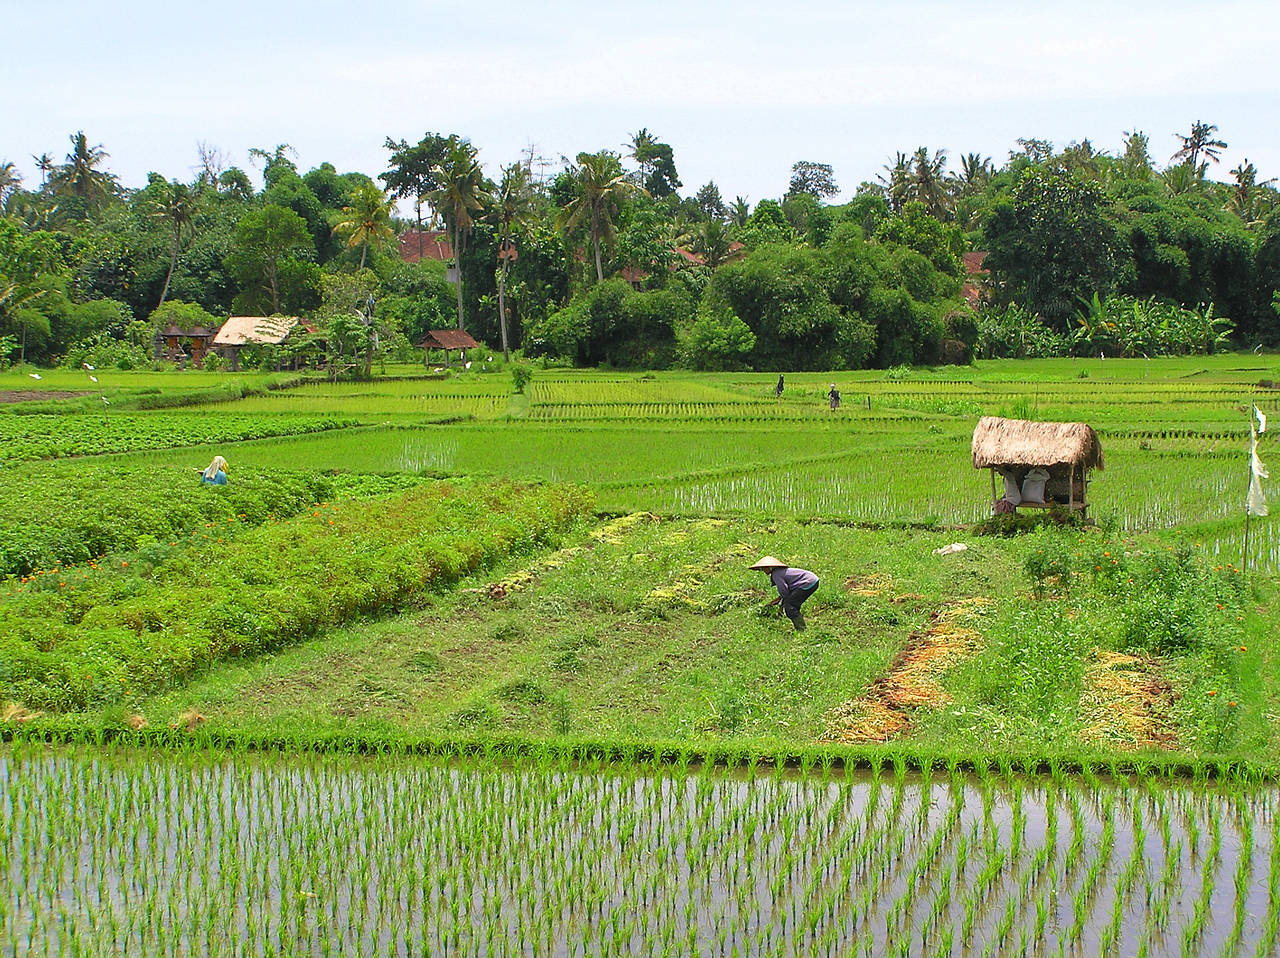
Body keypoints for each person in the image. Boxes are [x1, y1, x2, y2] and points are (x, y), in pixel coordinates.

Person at [750, 556, 819, 631]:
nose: (763, 570)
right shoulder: (780, 572)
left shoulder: (776, 574)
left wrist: (781, 605)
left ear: (770, 567)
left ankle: (802, 630)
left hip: (807, 582)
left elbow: (784, 590)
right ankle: (801, 628)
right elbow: (787, 592)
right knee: (792, 605)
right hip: (811, 581)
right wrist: (779, 600)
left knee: (790, 607)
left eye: (764, 568)